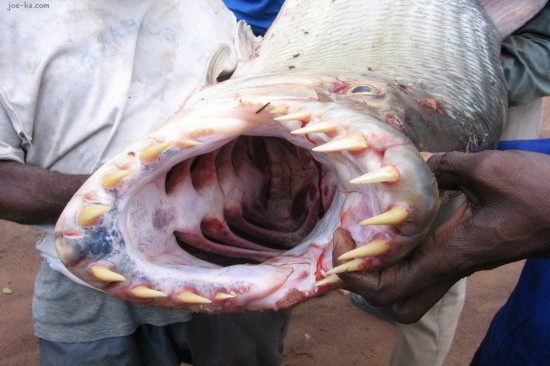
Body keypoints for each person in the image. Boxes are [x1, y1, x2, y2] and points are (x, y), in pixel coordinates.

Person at [0, 1, 289, 365]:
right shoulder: (13, 22)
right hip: (89, 276)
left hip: (229, 258)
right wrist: (134, 196)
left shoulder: (209, 10)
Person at [335, 4, 550, 364]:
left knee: (436, 251)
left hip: (476, 113)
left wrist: (453, 79)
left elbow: (544, 49)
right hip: (367, 93)